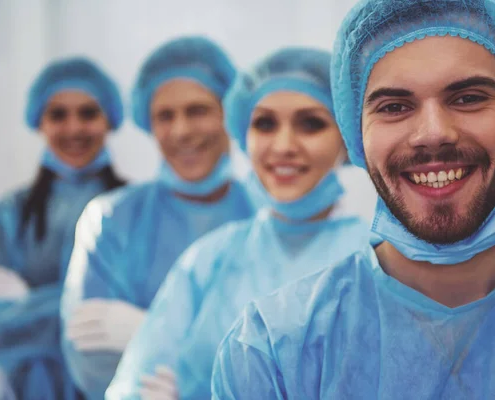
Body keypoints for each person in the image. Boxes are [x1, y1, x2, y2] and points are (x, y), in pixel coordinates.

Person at [211, 1, 495, 399]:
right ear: (357, 136)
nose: (433, 133)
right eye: (395, 107)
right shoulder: (275, 350)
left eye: (468, 98)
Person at [105, 47, 372, 400]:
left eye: (311, 124)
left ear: (347, 136)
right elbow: (136, 382)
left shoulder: (378, 261)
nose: (283, 145)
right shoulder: (211, 257)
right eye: (264, 123)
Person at [60, 36, 256, 399]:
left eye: (197, 110)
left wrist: (150, 333)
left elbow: (288, 354)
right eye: (165, 116)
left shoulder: (265, 217)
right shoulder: (110, 219)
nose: (181, 130)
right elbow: (89, 356)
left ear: (228, 114)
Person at [0, 57, 126, 399]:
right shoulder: (7, 214)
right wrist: (78, 306)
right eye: (58, 114)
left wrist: (27, 304)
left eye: (88, 113)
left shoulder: (136, 209)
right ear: (39, 121)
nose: (74, 128)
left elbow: (140, 303)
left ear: (109, 120)